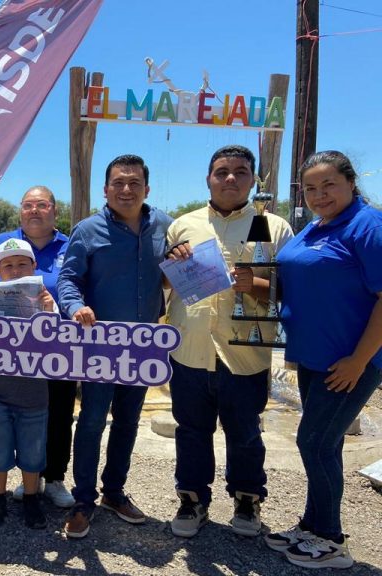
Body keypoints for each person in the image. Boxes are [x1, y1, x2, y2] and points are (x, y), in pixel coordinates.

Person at [164, 145, 293, 539]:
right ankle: (192, 500)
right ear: (208, 178)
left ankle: (247, 499)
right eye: (222, 171)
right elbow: (164, 283)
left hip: (245, 353)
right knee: (190, 430)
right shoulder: (182, 225)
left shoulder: (275, 227)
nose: (231, 178)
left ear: (253, 179)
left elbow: (292, 288)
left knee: (245, 434)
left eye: (240, 171)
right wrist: (175, 261)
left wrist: (254, 283)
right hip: (190, 349)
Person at [267, 151, 382, 569]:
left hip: (347, 362)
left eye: (329, 184)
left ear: (351, 182)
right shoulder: (315, 226)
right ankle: (313, 526)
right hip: (313, 357)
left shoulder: (368, 226)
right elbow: (300, 281)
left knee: (314, 443)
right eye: (310, 188)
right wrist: (251, 281)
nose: (320, 194)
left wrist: (358, 359)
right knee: (324, 445)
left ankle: (332, 541)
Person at [57, 154, 172, 538]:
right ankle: (84, 499)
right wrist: (75, 306)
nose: (126, 189)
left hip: (142, 347)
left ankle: (115, 492)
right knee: (91, 421)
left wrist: (184, 259)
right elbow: (68, 279)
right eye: (118, 183)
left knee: (127, 422)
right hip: (98, 347)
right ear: (105, 189)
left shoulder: (166, 228)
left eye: (134, 183)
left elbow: (176, 276)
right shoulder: (87, 230)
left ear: (147, 189)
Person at [0, 186, 74, 509]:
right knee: (18, 419)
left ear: (54, 210)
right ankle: (25, 483)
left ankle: (55, 477)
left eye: (42, 205)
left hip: (57, 346)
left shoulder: (70, 243)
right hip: (10, 350)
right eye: (28, 205)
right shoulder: (3, 241)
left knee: (59, 413)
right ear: (20, 211)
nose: (35, 211)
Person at [0, 238, 57, 529]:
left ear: (34, 266)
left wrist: (47, 311)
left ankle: (31, 498)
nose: (15, 270)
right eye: (8, 265)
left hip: (34, 394)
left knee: (33, 453)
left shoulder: (46, 300)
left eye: (21, 264)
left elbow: (56, 342)